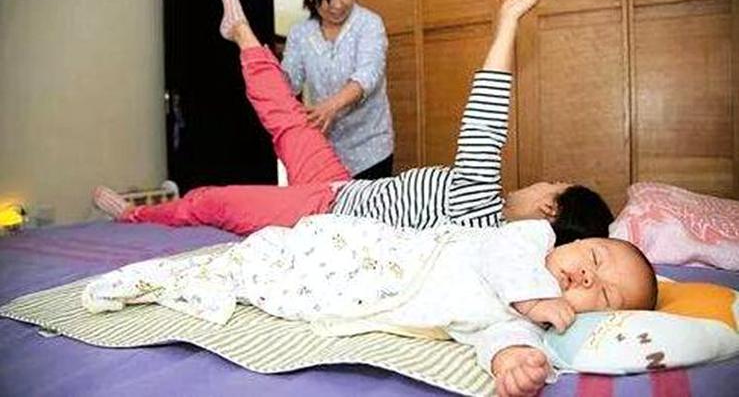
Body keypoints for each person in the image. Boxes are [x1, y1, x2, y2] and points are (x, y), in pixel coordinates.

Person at [94, 0, 613, 243]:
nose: (541, 181)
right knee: (289, 118)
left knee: (215, 201)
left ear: (549, 207)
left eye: (552, 184)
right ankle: (241, 31)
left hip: (323, 213)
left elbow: (485, 119)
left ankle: (135, 217)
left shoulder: (483, 216)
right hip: (341, 188)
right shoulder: (488, 210)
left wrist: (509, 21)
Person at [83, 214, 659, 397]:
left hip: (362, 298)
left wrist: (514, 359)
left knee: (278, 291)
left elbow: (491, 333)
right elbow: (499, 257)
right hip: (377, 255)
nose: (589, 274)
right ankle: (178, 274)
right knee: (275, 256)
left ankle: (214, 273)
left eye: (603, 293)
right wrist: (534, 299)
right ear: (577, 239)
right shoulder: (530, 240)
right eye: (596, 255)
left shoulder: (525, 321)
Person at [282, 0, 394, 179]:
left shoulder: (369, 24)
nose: (337, 5)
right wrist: (268, 71)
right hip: (325, 151)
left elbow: (368, 75)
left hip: (371, 149)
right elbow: (290, 83)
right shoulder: (300, 34)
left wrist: (330, 106)